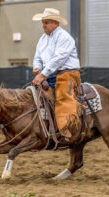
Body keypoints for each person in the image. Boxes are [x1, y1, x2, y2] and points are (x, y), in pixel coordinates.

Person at [32, 8, 81, 142]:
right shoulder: (42, 39)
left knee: (63, 98)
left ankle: (66, 129)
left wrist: (42, 74)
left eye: (47, 22)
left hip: (67, 74)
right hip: (49, 74)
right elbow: (37, 57)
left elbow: (59, 59)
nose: (44, 25)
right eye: (43, 22)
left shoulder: (64, 37)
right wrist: (37, 67)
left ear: (55, 23)